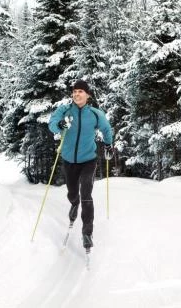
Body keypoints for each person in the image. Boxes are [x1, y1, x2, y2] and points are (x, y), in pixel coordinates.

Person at [48, 79, 113, 250]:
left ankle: (87, 233)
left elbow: (106, 129)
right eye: (75, 91)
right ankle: (74, 203)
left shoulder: (95, 114)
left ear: (87, 95)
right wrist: (59, 125)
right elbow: (52, 124)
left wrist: (108, 145)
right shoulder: (65, 110)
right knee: (72, 192)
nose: (77, 94)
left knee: (86, 192)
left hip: (88, 160)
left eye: (80, 91)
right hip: (69, 160)